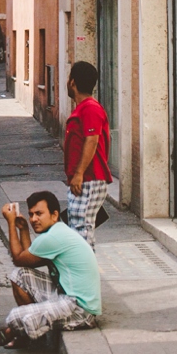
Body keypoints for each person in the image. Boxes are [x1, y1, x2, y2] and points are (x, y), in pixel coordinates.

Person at [0, 191, 101, 349]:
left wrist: (10, 223)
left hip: (80, 309)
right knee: (19, 275)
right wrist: (23, 229)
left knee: (14, 317)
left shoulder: (53, 238)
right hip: (66, 296)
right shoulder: (56, 232)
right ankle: (26, 332)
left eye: (39, 214)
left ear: (54, 215)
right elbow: (26, 263)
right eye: (31, 214)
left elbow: (18, 258)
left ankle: (18, 333)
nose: (34, 219)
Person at [64, 61, 112, 248]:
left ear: (73, 82)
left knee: (81, 230)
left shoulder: (90, 108)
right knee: (79, 228)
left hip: (88, 178)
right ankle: (83, 272)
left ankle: (83, 273)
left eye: (69, 78)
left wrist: (79, 173)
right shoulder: (84, 108)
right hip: (84, 178)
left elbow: (91, 140)